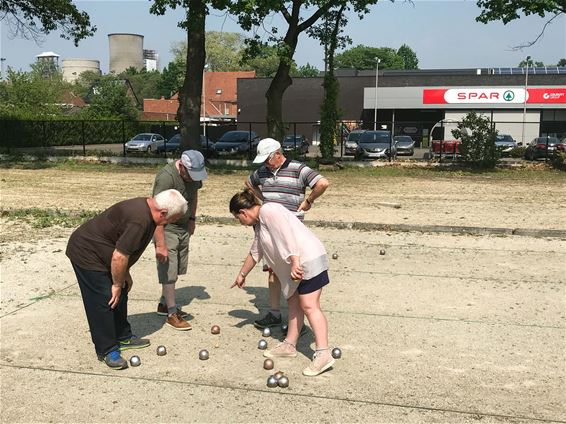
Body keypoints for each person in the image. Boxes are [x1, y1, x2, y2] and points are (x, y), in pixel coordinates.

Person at [66, 189, 188, 370]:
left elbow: (122, 249)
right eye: (172, 218)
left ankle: (123, 336)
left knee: (122, 290)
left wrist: (124, 275)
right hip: (87, 254)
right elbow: (119, 256)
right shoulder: (140, 220)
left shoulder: (148, 211)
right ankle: (107, 349)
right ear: (163, 213)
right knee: (103, 299)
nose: (172, 222)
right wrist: (116, 283)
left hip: (107, 254)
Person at [230, 189, 335, 376]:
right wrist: (242, 274)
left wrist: (294, 260)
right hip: (298, 263)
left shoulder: (269, 210)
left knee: (309, 305)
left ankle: (323, 353)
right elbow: (256, 251)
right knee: (293, 301)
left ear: (243, 212)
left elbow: (288, 235)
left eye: (238, 219)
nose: (241, 223)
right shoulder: (260, 224)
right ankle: (290, 345)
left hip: (307, 259)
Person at [246, 138, 329, 330]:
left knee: (296, 273)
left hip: (292, 233)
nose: (266, 163)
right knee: (273, 272)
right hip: (270, 229)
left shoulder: (298, 169)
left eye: (267, 159)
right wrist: (263, 199)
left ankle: (297, 321)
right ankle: (275, 313)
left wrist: (309, 201)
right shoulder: (262, 172)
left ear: (277, 153)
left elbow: (323, 183)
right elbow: (249, 183)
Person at [153, 150, 207, 331]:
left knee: (177, 267)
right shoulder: (166, 178)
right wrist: (160, 243)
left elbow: (194, 196)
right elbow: (156, 210)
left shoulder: (194, 175)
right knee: (168, 268)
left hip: (183, 226)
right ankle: (171, 313)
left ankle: (163, 303)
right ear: (182, 167)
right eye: (191, 175)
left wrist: (192, 219)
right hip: (167, 227)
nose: (193, 179)